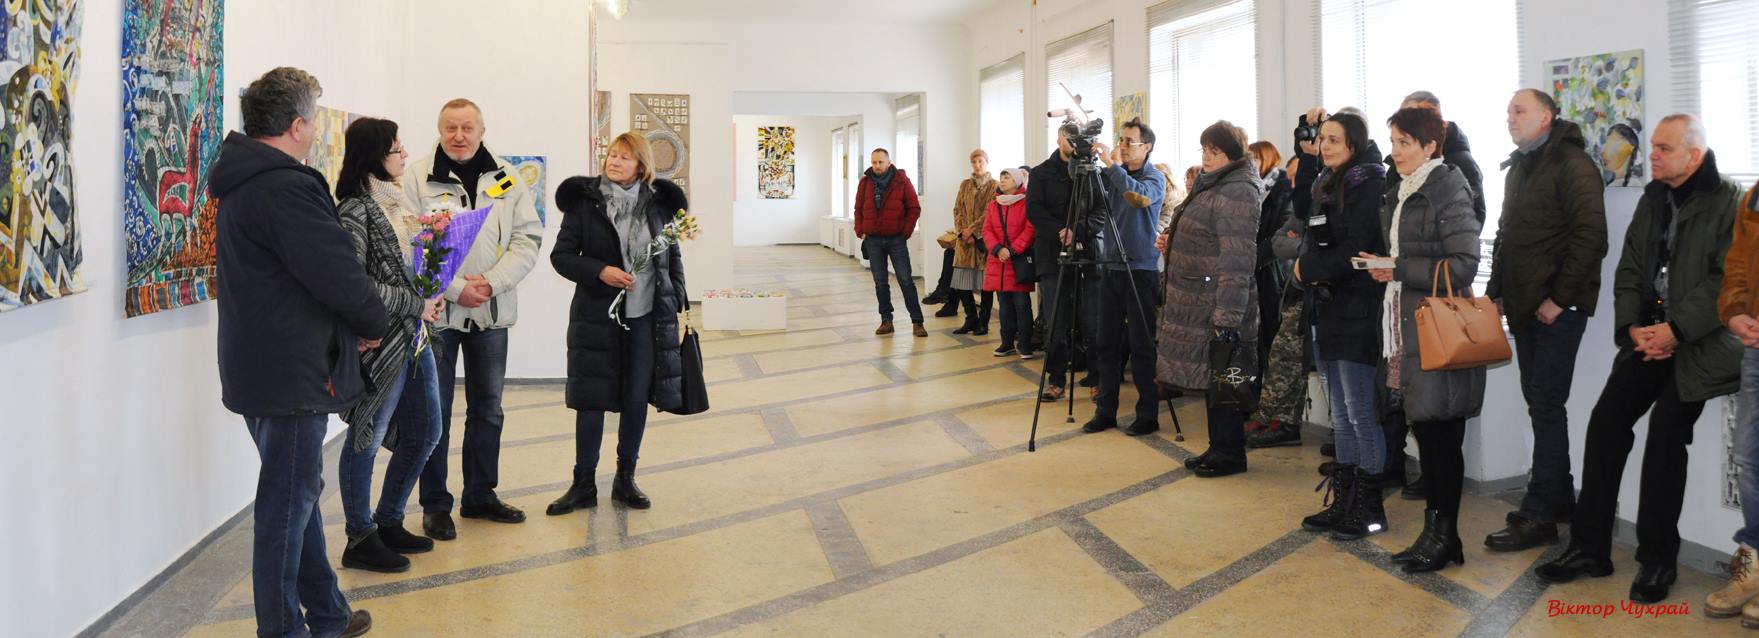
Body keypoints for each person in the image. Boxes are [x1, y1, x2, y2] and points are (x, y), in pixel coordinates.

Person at [1536, 114, 1742, 604]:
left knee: (1667, 437)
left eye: (1664, 148)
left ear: (1694, 155)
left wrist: (1677, 330)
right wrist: (1633, 328)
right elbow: (1630, 268)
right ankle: (1590, 547)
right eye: (1653, 147)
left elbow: (1726, 279)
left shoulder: (1728, 200)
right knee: (1605, 424)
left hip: (1698, 344)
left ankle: (1657, 559)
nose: (1653, 155)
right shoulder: (1653, 199)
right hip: (1647, 338)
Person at [212, 67, 384, 638]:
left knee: (297, 494)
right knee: (284, 512)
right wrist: (371, 322)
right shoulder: (285, 187)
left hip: (260, 366)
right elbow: (336, 272)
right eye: (311, 121)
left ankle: (328, 614)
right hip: (292, 372)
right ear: (295, 125)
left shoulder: (242, 178)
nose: (312, 131)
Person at [406, 99, 545, 540]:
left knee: (488, 410)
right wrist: (455, 289)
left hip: (491, 310)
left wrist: (492, 281)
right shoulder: (418, 176)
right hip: (439, 314)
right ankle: (435, 505)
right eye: (450, 127)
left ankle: (481, 495)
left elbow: (527, 238)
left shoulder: (507, 176)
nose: (459, 136)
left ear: (482, 131)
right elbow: (410, 242)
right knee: (435, 413)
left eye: (467, 127)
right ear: (439, 129)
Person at [1483, 89, 1609, 553]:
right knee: (1542, 406)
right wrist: (1496, 292)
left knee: (1546, 404)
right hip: (1524, 307)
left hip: (1557, 311)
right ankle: (1559, 500)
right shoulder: (1521, 166)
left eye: (1519, 111)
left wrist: (1559, 298)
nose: (1509, 118)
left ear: (1546, 117)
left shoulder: (1573, 164)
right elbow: (1506, 235)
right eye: (1508, 111)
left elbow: (1592, 237)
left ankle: (1539, 514)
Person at [1363, 106, 1486, 573]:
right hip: (1407, 324)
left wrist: (1397, 268)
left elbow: (1463, 265)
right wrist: (1385, 266)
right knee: (1429, 434)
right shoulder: (1401, 189)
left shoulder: (1447, 186)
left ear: (1431, 146)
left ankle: (1443, 536)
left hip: (1438, 327)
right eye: (1393, 142)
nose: (1395, 152)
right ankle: (1437, 535)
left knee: (1439, 438)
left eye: (1405, 143)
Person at [547, 132, 692, 514]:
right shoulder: (585, 203)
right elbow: (561, 256)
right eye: (612, 155)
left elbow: (672, 256)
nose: (614, 161)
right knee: (590, 400)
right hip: (596, 318)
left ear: (641, 166)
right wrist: (600, 271)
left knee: (635, 398)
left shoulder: (659, 206)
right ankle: (582, 484)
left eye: (625, 157)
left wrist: (675, 295)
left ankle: (625, 479)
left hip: (644, 319)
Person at [333, 118, 447, 574]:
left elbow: (409, 270)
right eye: (396, 149)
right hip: (380, 343)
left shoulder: (399, 205)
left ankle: (389, 519)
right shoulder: (355, 210)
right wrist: (416, 302)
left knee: (427, 431)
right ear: (375, 156)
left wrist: (431, 293)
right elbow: (354, 284)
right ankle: (359, 536)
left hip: (413, 336)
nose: (404, 155)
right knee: (367, 435)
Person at [1293, 111, 1391, 540]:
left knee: (1360, 412)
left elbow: (1356, 248)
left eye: (1334, 139)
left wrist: (1307, 269)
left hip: (1358, 308)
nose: (1325, 146)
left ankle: (1370, 509)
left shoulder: (1369, 183)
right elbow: (1304, 216)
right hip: (1328, 307)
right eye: (1323, 138)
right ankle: (1346, 502)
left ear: (1354, 144)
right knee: (1341, 415)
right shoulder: (1328, 182)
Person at [1153, 120, 1264, 477]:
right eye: (1204, 149)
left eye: (1214, 150)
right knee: (1213, 378)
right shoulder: (1213, 184)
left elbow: (1237, 260)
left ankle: (1229, 453)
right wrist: (1173, 242)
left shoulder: (1238, 191)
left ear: (1232, 153)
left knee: (1225, 379)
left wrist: (1227, 318)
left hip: (1219, 302)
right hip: (1201, 298)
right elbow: (1206, 238)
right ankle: (1218, 447)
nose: (1206, 156)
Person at [1082, 118, 1166, 436]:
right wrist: (1087, 163)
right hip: (1112, 266)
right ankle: (1105, 410)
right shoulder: (1114, 174)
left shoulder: (1154, 177)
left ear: (1148, 147)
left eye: (1131, 141)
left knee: (1142, 345)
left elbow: (1137, 197)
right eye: (1122, 140)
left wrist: (1112, 166)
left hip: (1141, 269)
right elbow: (1092, 199)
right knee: (1106, 342)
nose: (1124, 146)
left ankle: (1148, 414)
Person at [1712, 180, 1759, 622]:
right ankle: (1754, 568)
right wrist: (1735, 312)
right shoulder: (1756, 196)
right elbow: (1739, 265)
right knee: (1748, 457)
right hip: (1756, 348)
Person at [1248, 154, 1315, 450]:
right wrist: (1301, 242)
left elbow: (1311, 246)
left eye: (1298, 177)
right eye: (1290, 177)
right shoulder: (1298, 206)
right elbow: (1279, 241)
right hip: (1295, 289)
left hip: (1309, 292)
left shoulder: (1319, 201)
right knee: (1280, 356)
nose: (1293, 183)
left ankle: (1283, 422)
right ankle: (1272, 418)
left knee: (1288, 358)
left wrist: (1302, 243)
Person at [1244, 141, 1298, 447]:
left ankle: (1275, 415)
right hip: (1254, 272)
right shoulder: (1253, 189)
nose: (1250, 162)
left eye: (1255, 158)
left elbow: (1281, 235)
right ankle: (1258, 408)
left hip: (1273, 274)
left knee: (1273, 342)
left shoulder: (1282, 190)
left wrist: (1250, 258)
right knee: (1257, 342)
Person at [1029, 128, 1083, 401]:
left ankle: (1096, 376)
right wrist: (1061, 232)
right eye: (1067, 136)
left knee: (1090, 319)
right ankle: (1057, 379)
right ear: (1059, 139)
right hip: (1051, 253)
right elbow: (1034, 210)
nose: (1071, 141)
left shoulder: (1090, 171)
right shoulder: (1041, 173)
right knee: (1056, 320)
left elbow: (1098, 208)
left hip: (1085, 249)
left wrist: (1077, 231)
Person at [854, 148, 927, 337]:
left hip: (896, 239)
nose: (877, 166)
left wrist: (905, 232)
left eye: (880, 162)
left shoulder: (901, 180)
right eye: (874, 162)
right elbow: (858, 208)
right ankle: (886, 321)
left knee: (906, 280)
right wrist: (860, 231)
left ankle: (917, 322)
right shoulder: (865, 182)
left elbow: (914, 208)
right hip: (873, 240)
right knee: (880, 282)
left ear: (889, 162)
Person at [983, 167, 1036, 358]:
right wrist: (998, 249)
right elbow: (987, 230)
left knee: (1022, 304)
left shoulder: (1027, 203)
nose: (1003, 180)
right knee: (1004, 305)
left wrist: (1012, 250)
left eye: (1007, 177)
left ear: (1017, 181)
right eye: (1001, 177)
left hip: (1018, 261)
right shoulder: (993, 205)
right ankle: (1006, 343)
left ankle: (1025, 344)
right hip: (999, 261)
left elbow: (1030, 230)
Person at [952, 150, 997, 335]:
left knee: (986, 284)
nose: (977, 165)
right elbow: (958, 209)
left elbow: (989, 212)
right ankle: (970, 318)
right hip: (964, 242)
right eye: (974, 162)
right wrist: (963, 231)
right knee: (962, 282)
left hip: (982, 241)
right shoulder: (965, 185)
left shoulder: (994, 186)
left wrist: (974, 231)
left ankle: (983, 322)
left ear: (986, 162)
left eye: (980, 161)